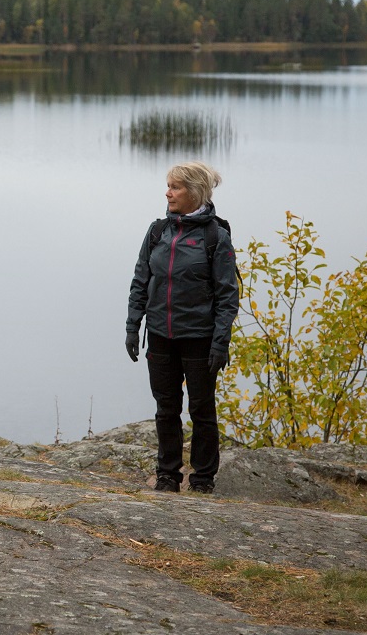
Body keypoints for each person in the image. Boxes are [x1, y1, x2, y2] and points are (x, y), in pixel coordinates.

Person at [125, 162, 239, 494]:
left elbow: (227, 296)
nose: (168, 192)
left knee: (202, 408)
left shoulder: (215, 236)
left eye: (175, 187)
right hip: (160, 335)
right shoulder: (158, 231)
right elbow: (140, 282)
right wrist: (134, 326)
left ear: (193, 191)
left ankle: (203, 479)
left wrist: (220, 343)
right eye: (168, 186)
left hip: (200, 340)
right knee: (166, 408)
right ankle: (167, 476)